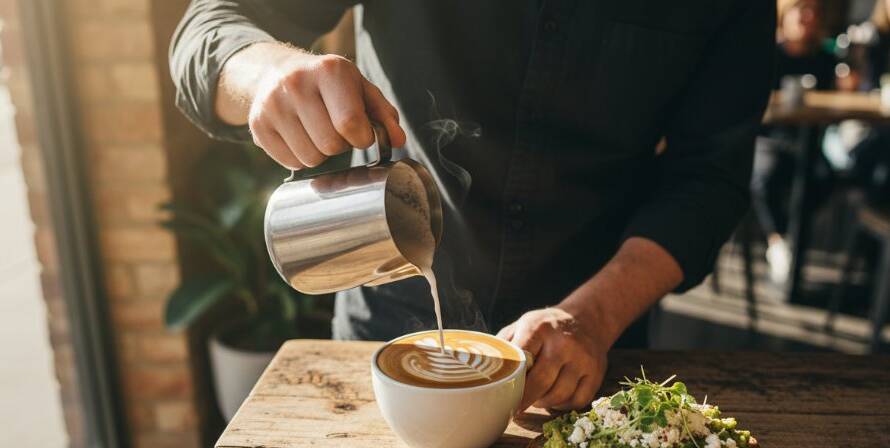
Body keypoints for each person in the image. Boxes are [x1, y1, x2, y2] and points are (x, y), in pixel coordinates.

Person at [170, 1, 774, 413]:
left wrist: (593, 316)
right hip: (386, 326)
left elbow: (710, 175)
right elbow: (209, 26)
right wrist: (267, 71)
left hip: (587, 347)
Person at [750, 0, 836, 285]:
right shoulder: (767, 54)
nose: (806, 17)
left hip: (807, 141)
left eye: (813, 11)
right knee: (766, 174)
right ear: (785, 15)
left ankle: (789, 237)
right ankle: (779, 240)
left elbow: (833, 107)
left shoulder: (826, 59)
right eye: (801, 9)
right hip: (770, 137)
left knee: (824, 177)